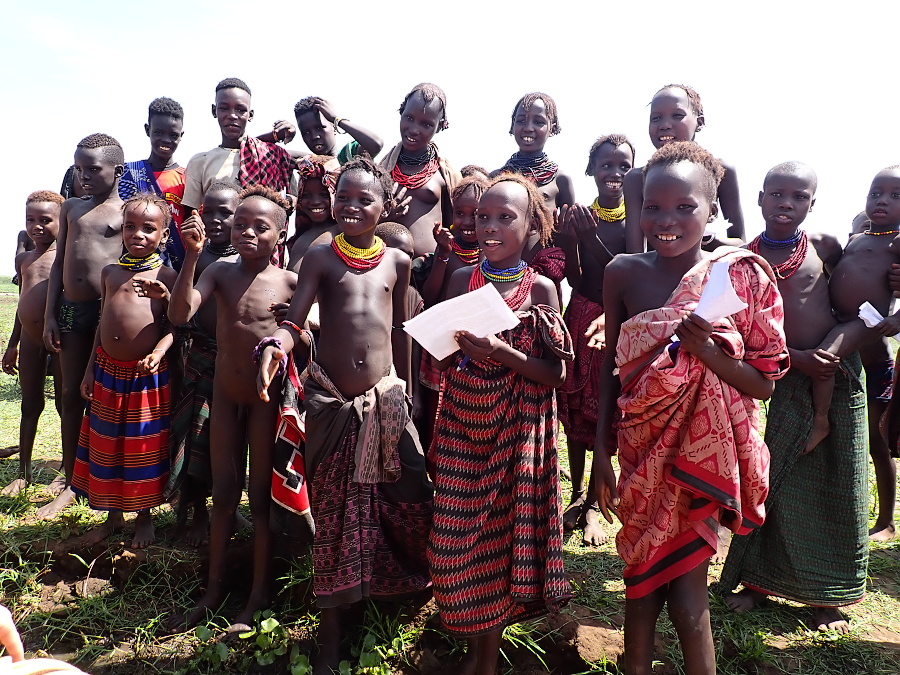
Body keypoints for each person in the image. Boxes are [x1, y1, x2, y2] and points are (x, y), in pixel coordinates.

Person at [593, 142, 788, 675]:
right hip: (640, 449)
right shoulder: (623, 272)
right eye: (653, 207)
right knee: (638, 588)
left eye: (685, 207)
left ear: (713, 210)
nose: (667, 220)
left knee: (687, 598)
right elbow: (614, 369)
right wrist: (601, 458)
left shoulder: (739, 275)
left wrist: (704, 350)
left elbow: (764, 384)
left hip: (704, 458)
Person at [257, 156, 432, 674]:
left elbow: (401, 333)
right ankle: (330, 635)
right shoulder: (319, 256)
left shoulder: (397, 264)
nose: (352, 207)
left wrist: (407, 391)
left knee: (405, 496)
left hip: (385, 400)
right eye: (344, 198)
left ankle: (392, 599)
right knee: (334, 515)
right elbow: (296, 322)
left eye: (364, 200)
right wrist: (276, 343)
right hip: (332, 403)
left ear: (385, 206)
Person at [720, 162, 879, 630]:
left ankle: (827, 597)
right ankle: (757, 583)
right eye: (777, 195)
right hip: (782, 376)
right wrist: (796, 358)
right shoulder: (743, 258)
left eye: (798, 197)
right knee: (775, 482)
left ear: (812, 204)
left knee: (838, 481)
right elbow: (742, 331)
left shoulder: (827, 247)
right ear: (760, 199)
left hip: (837, 373)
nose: (786, 204)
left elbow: (861, 301)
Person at [426, 173, 572, 675]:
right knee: (451, 548)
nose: (489, 226)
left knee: (501, 546)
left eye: (505, 217)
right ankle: (475, 651)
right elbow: (441, 363)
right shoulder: (459, 279)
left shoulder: (543, 289)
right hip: (463, 429)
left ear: (533, 226)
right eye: (483, 217)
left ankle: (483, 659)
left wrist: (500, 351)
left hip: (517, 437)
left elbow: (555, 374)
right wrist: (448, 346)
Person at [166, 185, 297, 629]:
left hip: (263, 403)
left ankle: (258, 595)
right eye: (241, 224)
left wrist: (295, 323)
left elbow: (308, 329)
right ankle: (214, 589)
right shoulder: (219, 271)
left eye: (261, 227)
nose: (247, 233)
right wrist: (190, 255)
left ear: (280, 236)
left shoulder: (290, 282)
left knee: (259, 501)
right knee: (223, 496)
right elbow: (181, 314)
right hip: (224, 397)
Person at [69, 193, 177, 549]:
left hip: (145, 376)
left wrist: (160, 352)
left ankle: (143, 517)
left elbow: (177, 324)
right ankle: (112, 515)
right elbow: (102, 323)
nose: (138, 235)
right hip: (106, 372)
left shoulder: (167, 275)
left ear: (164, 234)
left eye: (149, 228)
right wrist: (89, 371)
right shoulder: (111, 273)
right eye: (130, 227)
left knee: (140, 447)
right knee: (106, 443)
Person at [41, 133, 127, 520]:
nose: (85, 176)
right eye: (80, 168)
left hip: (106, 314)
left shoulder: (126, 214)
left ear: (117, 171)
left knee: (103, 400)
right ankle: (72, 481)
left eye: (94, 168)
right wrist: (49, 315)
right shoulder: (71, 208)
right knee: (70, 396)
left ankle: (104, 479)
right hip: (72, 310)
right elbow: (59, 263)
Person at [555, 134, 635, 545]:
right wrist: (573, 240)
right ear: (591, 170)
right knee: (576, 405)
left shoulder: (635, 221)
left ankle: (597, 502)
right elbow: (575, 278)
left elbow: (629, 270)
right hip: (582, 314)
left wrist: (590, 239)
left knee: (607, 409)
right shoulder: (578, 216)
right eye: (607, 165)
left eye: (624, 166)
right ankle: (577, 495)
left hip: (620, 319)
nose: (615, 173)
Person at [164, 179, 240, 546]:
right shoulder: (198, 255)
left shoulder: (249, 259)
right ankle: (194, 511)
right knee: (191, 435)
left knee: (225, 441)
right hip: (195, 355)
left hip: (232, 360)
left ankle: (226, 507)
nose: (214, 219)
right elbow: (180, 310)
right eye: (208, 210)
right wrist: (192, 256)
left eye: (225, 212)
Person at [624, 84, 744, 254]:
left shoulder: (720, 171)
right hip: (656, 277)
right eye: (656, 118)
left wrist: (705, 239)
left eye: (677, 116)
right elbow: (635, 253)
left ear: (699, 122)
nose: (665, 125)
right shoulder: (636, 179)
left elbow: (741, 243)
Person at [1, 191, 64, 495]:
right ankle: (23, 471)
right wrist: (12, 345)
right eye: (31, 220)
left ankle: (67, 471)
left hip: (60, 341)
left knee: (66, 406)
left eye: (45, 220)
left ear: (61, 222)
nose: (37, 226)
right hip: (28, 341)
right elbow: (22, 305)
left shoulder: (65, 259)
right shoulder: (23, 259)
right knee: (30, 404)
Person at [380, 83, 461, 257]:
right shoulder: (382, 171)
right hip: (384, 268)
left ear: (440, 126)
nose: (414, 129)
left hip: (431, 272)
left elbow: (456, 224)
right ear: (401, 113)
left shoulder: (446, 175)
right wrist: (384, 216)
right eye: (409, 118)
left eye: (426, 124)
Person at [118, 97, 188, 269]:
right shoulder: (127, 174)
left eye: (173, 135)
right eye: (158, 133)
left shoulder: (188, 177)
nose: (165, 140)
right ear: (148, 130)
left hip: (176, 267)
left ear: (181, 136)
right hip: (131, 263)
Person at [500, 92, 574, 210]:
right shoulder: (497, 177)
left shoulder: (560, 179)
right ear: (513, 124)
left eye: (538, 122)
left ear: (552, 128)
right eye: (521, 120)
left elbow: (569, 227)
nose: (528, 128)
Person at [286, 155, 340, 272]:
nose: (315, 202)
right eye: (306, 195)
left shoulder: (343, 235)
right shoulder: (303, 236)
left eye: (324, 195)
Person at [293, 96, 383, 163]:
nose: (314, 136)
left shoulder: (350, 155)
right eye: (306, 132)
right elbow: (280, 155)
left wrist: (336, 119)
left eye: (320, 128)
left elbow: (376, 144)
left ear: (334, 127)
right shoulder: (308, 164)